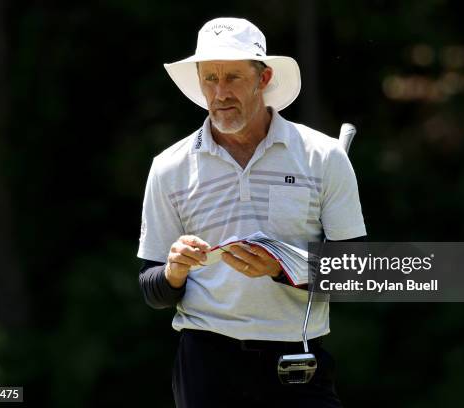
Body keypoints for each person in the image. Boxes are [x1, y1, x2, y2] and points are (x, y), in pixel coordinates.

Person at [138, 17, 366, 408]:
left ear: (263, 79)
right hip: (205, 365)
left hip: (296, 363)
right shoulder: (169, 167)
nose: (220, 92)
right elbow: (150, 287)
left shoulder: (322, 156)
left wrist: (280, 267)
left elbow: (361, 272)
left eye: (233, 77)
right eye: (210, 78)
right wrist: (174, 272)